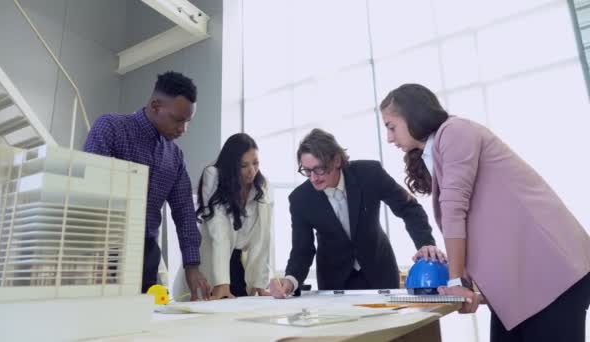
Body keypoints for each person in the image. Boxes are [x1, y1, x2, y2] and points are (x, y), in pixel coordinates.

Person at [380, 83, 590, 341]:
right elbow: (478, 226)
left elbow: (455, 209)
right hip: (522, 283)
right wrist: (466, 284)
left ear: (413, 115)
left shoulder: (456, 131)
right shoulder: (436, 150)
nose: (389, 138)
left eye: (391, 127)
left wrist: (456, 281)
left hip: (551, 272)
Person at [270, 128, 444, 298]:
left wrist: (425, 244)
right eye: (307, 171)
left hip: (380, 273)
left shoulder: (369, 174)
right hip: (334, 282)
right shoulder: (300, 199)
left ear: (336, 160)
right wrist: (290, 280)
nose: (313, 178)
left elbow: (408, 208)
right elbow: (302, 249)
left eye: (319, 169)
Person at [84, 71, 211, 300]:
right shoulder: (111, 128)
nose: (183, 129)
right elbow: (90, 192)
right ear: (155, 106)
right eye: (178, 119)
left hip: (145, 255)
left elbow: (184, 212)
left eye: (188, 121)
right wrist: (96, 254)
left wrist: (192, 267)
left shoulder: (175, 157)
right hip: (102, 249)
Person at [172, 133, 272, 300]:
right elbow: (220, 233)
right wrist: (222, 283)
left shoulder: (261, 187)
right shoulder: (213, 176)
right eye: (243, 165)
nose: (252, 171)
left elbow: (263, 238)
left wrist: (259, 283)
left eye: (256, 163)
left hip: (239, 267)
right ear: (232, 165)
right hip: (211, 266)